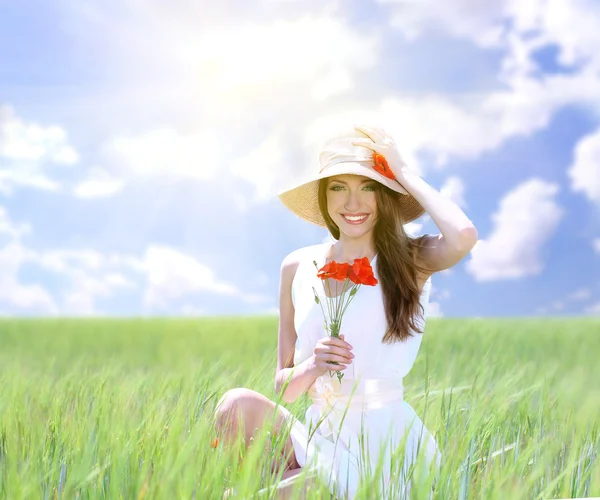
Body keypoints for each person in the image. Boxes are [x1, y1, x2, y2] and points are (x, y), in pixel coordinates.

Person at [212, 124, 478, 499]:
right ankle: (278, 484)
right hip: (321, 433)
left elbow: (464, 236)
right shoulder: (296, 266)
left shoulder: (409, 260)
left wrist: (402, 173)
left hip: (381, 445)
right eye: (339, 187)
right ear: (324, 196)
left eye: (367, 187)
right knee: (234, 405)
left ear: (384, 196)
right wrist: (313, 365)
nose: (353, 204)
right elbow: (284, 390)